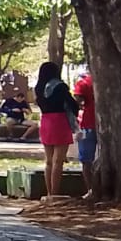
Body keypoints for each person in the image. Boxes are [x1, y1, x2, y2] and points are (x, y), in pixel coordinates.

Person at [35, 61, 79, 198]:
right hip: (60, 121)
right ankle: (55, 193)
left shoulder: (38, 87)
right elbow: (72, 105)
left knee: (48, 160)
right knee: (58, 160)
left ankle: (49, 193)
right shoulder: (60, 86)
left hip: (46, 121)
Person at [73, 66, 96, 170]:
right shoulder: (113, 81)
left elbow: (77, 101)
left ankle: (90, 186)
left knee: (86, 161)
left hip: (88, 124)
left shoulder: (83, 83)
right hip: (110, 125)